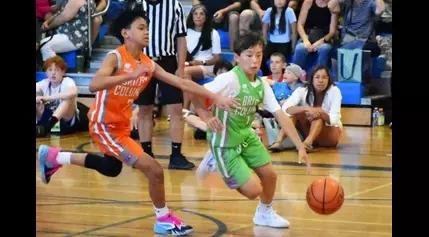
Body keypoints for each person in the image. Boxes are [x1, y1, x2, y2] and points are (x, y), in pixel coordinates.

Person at [37, 9, 238, 236]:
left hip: (121, 126)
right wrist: (130, 76)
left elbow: (182, 84)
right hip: (105, 126)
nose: (147, 32)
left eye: (147, 28)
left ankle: (54, 156)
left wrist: (217, 98)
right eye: (141, 28)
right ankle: (162, 218)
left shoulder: (147, 63)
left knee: (111, 168)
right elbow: (95, 84)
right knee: (154, 169)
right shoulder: (116, 57)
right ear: (125, 33)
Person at [190, 32, 311, 228]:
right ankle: (214, 159)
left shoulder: (261, 84)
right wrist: (206, 116)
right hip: (224, 142)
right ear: (237, 57)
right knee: (253, 191)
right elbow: (192, 90)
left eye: (258, 55)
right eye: (248, 55)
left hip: (246, 136)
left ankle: (265, 213)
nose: (254, 61)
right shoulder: (229, 79)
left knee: (270, 175)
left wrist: (300, 146)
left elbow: (281, 115)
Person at [137, 0, 194, 170]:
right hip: (142, 61)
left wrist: (181, 66)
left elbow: (181, 37)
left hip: (168, 61)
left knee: (176, 108)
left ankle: (176, 155)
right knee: (144, 109)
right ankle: (146, 154)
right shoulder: (138, 5)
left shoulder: (174, 5)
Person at [281, 65, 343, 151]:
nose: (321, 81)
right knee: (293, 115)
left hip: (330, 133)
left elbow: (334, 119)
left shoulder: (335, 91)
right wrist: (307, 109)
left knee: (319, 117)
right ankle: (278, 142)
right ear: (312, 79)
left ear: (329, 79)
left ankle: (307, 144)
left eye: (324, 77)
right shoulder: (302, 89)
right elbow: (285, 108)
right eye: (317, 77)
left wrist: (320, 112)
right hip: (308, 129)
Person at [36, 56, 87, 137]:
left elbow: (73, 92)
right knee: (37, 102)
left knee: (67, 98)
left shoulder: (67, 81)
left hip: (65, 122)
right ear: (46, 73)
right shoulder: (44, 83)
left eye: (57, 70)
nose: (53, 73)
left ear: (63, 72)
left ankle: (48, 127)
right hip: (48, 123)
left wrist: (46, 98)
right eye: (50, 70)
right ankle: (43, 128)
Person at [183, 4, 222, 110]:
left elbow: (216, 58)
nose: (198, 16)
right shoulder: (186, 32)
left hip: (207, 66)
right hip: (189, 64)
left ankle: (185, 109)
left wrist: (201, 62)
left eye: (201, 14)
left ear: (206, 17)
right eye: (195, 14)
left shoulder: (213, 33)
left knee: (186, 72)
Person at [260, 0, 298, 75]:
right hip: (272, 42)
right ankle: (267, 75)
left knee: (280, 61)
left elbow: (294, 32)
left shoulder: (289, 11)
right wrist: (265, 43)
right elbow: (264, 29)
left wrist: (293, 47)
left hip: (285, 43)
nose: (279, 1)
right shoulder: (269, 11)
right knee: (261, 58)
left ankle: (281, 78)